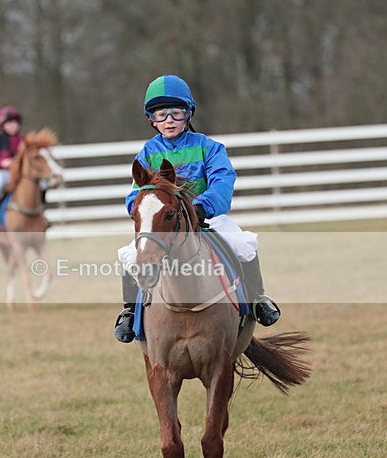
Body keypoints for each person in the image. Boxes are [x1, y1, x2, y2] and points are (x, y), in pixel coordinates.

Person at [114, 74, 281, 343]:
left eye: (176, 113)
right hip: (165, 225)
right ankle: (130, 312)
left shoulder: (209, 147)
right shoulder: (146, 153)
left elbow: (223, 184)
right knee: (128, 255)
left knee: (243, 242)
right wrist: (141, 208)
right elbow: (135, 194)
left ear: (188, 113)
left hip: (207, 218)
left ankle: (257, 299)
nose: (169, 120)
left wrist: (200, 208)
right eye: (161, 114)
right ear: (151, 120)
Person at [0, 106, 25, 231]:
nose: (13, 126)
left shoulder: (23, 140)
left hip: (20, 174)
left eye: (15, 123)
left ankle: (41, 211)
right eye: (10, 123)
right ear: (2, 125)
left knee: (39, 184)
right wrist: (2, 163)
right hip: (4, 173)